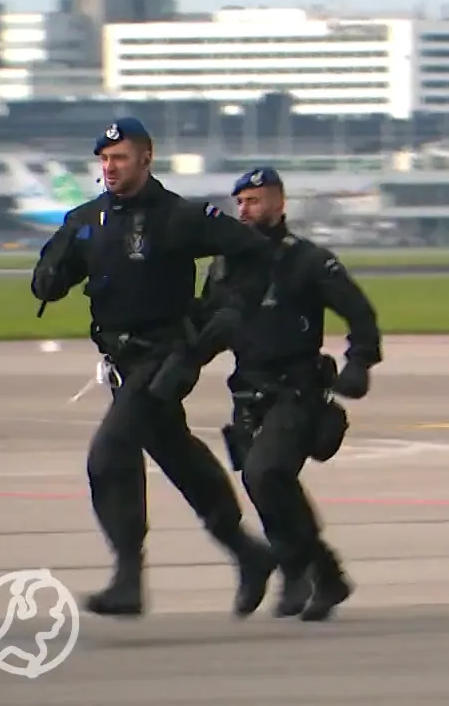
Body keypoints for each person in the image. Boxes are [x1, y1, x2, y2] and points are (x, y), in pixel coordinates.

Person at [29, 117, 280, 618]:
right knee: (176, 453)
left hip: (165, 357)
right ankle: (248, 551)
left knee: (110, 454)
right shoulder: (88, 220)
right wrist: (53, 270)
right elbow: (47, 283)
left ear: (146, 159)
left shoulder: (179, 216)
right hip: (121, 362)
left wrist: (225, 310)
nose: (110, 167)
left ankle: (128, 578)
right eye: (104, 159)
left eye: (120, 158)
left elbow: (255, 252)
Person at [204, 166, 381, 622]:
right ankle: (307, 572)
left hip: (296, 390)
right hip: (248, 393)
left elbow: (360, 313)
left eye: (255, 200)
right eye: (240, 202)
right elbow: (204, 325)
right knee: (265, 487)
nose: (245, 209)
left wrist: (359, 361)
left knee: (266, 474)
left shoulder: (307, 261)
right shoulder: (224, 266)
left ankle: (317, 571)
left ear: (279, 203)